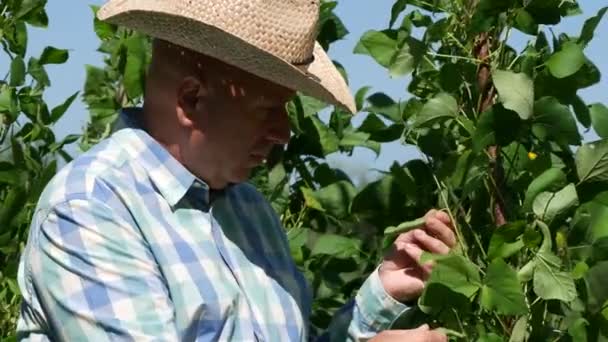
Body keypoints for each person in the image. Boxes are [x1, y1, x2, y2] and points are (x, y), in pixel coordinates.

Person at [15, 0, 456, 341]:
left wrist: (381, 296)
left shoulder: (248, 210)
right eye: (267, 109)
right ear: (191, 99)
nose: (284, 133)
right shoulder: (93, 210)